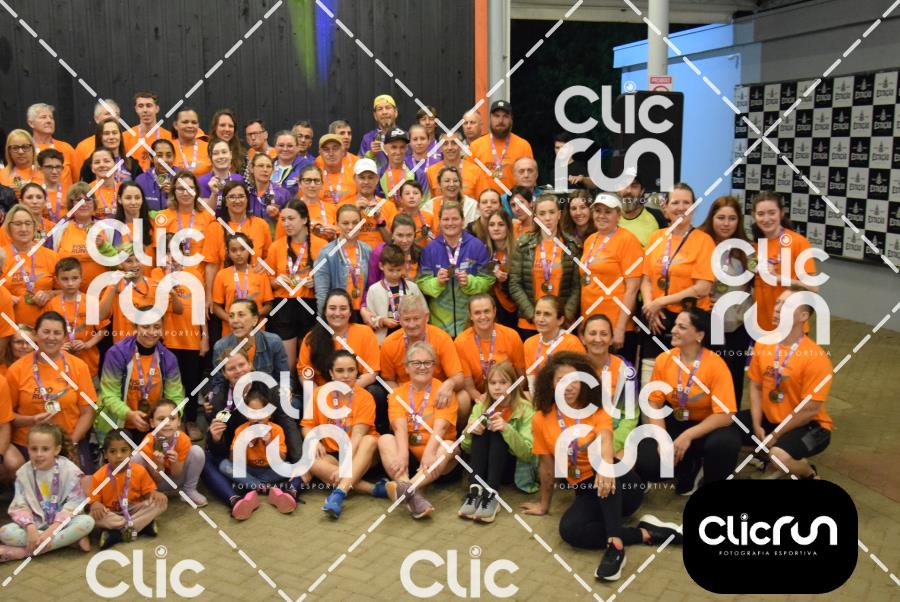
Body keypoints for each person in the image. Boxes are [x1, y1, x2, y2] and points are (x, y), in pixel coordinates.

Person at [521, 351, 680, 582]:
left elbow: (606, 438)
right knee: (570, 531)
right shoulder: (541, 419)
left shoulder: (596, 409)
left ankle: (615, 548)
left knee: (605, 466)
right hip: (587, 490)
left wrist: (605, 465)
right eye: (561, 380)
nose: (568, 386)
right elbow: (547, 467)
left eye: (574, 380)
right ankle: (645, 532)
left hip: (622, 486)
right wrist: (544, 505)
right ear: (550, 383)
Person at [635, 308, 741, 494]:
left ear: (699, 335)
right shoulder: (664, 359)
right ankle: (686, 464)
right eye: (675, 325)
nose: (673, 330)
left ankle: (706, 474)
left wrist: (688, 435)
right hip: (676, 421)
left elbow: (726, 414)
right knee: (648, 462)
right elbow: (654, 402)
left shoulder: (715, 364)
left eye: (682, 327)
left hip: (707, 428)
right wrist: (662, 439)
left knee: (725, 443)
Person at [732, 288, 833, 479]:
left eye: (786, 305)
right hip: (771, 418)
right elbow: (755, 386)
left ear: (803, 316)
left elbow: (810, 410)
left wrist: (776, 435)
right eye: (778, 302)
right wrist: (756, 424)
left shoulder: (816, 358)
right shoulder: (764, 344)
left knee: (779, 456)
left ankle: (808, 473)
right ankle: (768, 456)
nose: (777, 308)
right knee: (722, 430)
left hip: (812, 426)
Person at [209, 300, 302, 461]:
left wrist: (286, 390)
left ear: (254, 320)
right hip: (236, 400)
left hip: (268, 396)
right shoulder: (220, 346)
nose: (235, 320)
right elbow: (218, 382)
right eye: (231, 316)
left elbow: (284, 376)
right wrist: (213, 397)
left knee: (288, 405)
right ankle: (228, 455)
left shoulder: (273, 341)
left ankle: (292, 458)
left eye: (241, 315)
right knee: (215, 410)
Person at [300, 351, 386, 519]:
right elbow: (306, 426)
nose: (346, 375)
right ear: (331, 373)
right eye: (340, 371)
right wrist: (314, 440)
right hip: (333, 455)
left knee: (369, 440)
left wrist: (345, 466)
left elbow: (358, 435)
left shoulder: (365, 397)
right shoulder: (319, 394)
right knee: (309, 460)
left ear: (357, 372)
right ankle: (373, 489)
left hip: (361, 453)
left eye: (351, 370)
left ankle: (339, 494)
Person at [378, 341, 459, 519]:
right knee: (385, 439)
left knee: (448, 445)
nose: (422, 367)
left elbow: (441, 428)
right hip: (409, 461)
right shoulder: (398, 394)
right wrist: (402, 455)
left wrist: (430, 453)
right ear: (406, 368)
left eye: (427, 362)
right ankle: (412, 493)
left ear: (434, 366)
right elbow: (399, 428)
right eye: (416, 363)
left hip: (437, 459)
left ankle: (404, 489)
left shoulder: (443, 391)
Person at [7, 312, 96, 471]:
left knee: (84, 483)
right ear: (35, 334)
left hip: (70, 440)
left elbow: (87, 413)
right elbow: (8, 417)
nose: (51, 337)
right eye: (46, 332)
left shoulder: (79, 366)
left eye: (57, 333)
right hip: (31, 445)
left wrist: (70, 444)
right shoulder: (17, 369)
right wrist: (31, 420)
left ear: (64, 337)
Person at [640, 183, 715, 363]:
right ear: (665, 207)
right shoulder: (656, 237)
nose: (681, 208)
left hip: (691, 321)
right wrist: (650, 306)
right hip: (656, 318)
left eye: (686, 203)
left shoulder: (704, 241)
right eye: (675, 202)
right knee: (652, 371)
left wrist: (660, 302)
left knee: (685, 373)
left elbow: (702, 288)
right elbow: (646, 279)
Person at [0, 423, 94, 561]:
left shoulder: (69, 470)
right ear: (28, 448)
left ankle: (24, 552)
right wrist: (31, 530)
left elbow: (75, 503)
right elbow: (20, 505)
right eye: (34, 449)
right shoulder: (23, 473)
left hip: (62, 524)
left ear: (56, 450)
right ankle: (67, 541)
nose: (39, 454)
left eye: (45, 449)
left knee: (87, 522)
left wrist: (51, 531)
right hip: (35, 525)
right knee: (4, 532)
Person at [459, 361, 535, 522]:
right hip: (484, 466)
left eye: (503, 382)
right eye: (493, 383)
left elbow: (528, 454)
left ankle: (492, 494)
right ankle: (475, 491)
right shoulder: (481, 406)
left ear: (513, 384)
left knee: (497, 429)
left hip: (510, 468)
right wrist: (468, 432)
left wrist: (507, 430)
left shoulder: (526, 409)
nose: (497, 387)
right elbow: (466, 448)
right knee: (482, 427)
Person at [379, 294, 465, 430]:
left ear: (426, 317)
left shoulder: (442, 338)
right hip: (407, 395)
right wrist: (397, 396)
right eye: (407, 319)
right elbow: (388, 379)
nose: (412, 324)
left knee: (463, 398)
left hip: (437, 394)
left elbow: (458, 377)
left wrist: (449, 384)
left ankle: (456, 436)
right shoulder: (389, 343)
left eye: (416, 318)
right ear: (399, 319)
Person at [94, 315, 185, 444]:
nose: (152, 332)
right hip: (117, 425)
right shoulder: (116, 354)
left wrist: (168, 418)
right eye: (145, 327)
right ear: (135, 327)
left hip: (154, 425)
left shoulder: (169, 359)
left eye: (157, 327)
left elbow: (176, 397)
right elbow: (109, 395)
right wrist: (129, 414)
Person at [700, 196, 754, 406]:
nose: (726, 223)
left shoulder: (747, 250)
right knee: (706, 375)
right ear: (711, 218)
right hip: (707, 324)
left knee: (734, 375)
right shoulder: (700, 244)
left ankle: (731, 418)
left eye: (732, 218)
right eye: (721, 217)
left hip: (738, 325)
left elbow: (757, 284)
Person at [153, 233, 208, 440]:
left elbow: (200, 307)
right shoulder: (157, 273)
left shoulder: (194, 272)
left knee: (192, 383)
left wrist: (205, 336)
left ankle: (190, 420)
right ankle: (170, 421)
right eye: (168, 251)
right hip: (167, 339)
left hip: (191, 338)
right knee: (168, 383)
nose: (172, 256)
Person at [579, 193, 644, 366]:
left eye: (608, 212)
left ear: (618, 215)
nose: (601, 216)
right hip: (591, 323)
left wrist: (620, 328)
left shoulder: (628, 240)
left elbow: (632, 289)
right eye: (598, 211)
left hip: (615, 325)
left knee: (618, 376)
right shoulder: (590, 240)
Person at [509, 192, 582, 338]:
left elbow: (577, 286)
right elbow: (515, 284)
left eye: (551, 212)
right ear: (535, 217)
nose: (547, 218)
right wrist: (533, 315)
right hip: (529, 323)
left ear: (559, 214)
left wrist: (565, 316)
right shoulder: (523, 244)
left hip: (562, 324)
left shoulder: (572, 246)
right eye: (542, 213)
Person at [418, 201, 493, 338]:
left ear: (463, 221)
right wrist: (437, 282)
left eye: (455, 219)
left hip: (470, 324)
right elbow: (422, 283)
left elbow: (488, 280)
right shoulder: (430, 249)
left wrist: (470, 282)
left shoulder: (476, 246)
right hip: (440, 325)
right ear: (440, 222)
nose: (450, 223)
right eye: (446, 219)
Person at [220, 389, 301, 513]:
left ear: (269, 414)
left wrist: (269, 444)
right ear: (246, 415)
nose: (257, 417)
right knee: (224, 465)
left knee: (294, 467)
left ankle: (252, 486)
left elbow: (281, 460)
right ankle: (263, 487)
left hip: (270, 471)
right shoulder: (241, 430)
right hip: (249, 470)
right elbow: (234, 462)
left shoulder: (276, 430)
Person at [88, 428, 167, 548]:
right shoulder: (98, 476)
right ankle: (141, 526)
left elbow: (148, 493)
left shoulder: (139, 470)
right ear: (105, 454)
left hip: (134, 509)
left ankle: (116, 534)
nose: (119, 456)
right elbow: (93, 502)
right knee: (91, 517)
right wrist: (95, 505)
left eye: (124, 450)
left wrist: (154, 494)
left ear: (131, 452)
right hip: (111, 512)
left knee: (161, 503)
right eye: (113, 451)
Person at [751, 191, 817, 332]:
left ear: (781, 213)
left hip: (791, 324)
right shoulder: (756, 245)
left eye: (772, 213)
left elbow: (813, 288)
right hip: (761, 323)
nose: (766, 219)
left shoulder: (798, 242)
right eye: (761, 214)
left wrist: (779, 278)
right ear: (754, 216)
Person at [202, 181, 272, 309]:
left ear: (247, 199)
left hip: (256, 293)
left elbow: (270, 257)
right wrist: (209, 296)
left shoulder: (261, 225)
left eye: (241, 196)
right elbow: (211, 266)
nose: (237, 200)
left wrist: (265, 264)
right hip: (226, 294)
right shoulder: (215, 227)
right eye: (232, 197)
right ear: (225, 201)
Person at [266, 200, 320, 368]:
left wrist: (316, 283)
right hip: (283, 306)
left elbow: (328, 281)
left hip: (310, 304)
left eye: (291, 219)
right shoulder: (276, 247)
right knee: (286, 364)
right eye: (283, 219)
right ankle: (287, 385)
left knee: (308, 362)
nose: (286, 224)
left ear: (304, 219)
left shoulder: (321, 245)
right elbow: (268, 282)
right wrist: (276, 281)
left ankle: (307, 386)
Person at [201, 349, 255, 518]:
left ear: (250, 365)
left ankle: (255, 487)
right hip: (233, 458)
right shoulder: (219, 400)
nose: (238, 371)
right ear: (224, 374)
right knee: (204, 458)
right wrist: (216, 439)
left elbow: (284, 427)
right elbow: (219, 451)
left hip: (262, 456)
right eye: (231, 368)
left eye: (242, 365)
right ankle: (234, 499)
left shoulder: (266, 389)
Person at [580, 314, 640, 457]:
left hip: (613, 434)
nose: (598, 339)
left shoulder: (625, 370)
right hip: (580, 435)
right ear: (583, 338)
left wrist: (611, 445)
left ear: (612, 339)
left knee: (623, 461)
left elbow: (630, 417)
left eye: (604, 334)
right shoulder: (573, 368)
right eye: (592, 333)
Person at [454, 294, 525, 402]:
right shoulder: (461, 342)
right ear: (470, 315)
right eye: (477, 313)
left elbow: (522, 377)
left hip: (509, 395)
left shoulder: (511, 336)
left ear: (494, 311)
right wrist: (482, 400)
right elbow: (469, 386)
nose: (483, 317)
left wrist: (508, 397)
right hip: (479, 398)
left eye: (486, 311)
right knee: (462, 399)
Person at [136, 400, 207, 506]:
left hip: (177, 480)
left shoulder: (183, 439)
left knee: (197, 451)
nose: (167, 423)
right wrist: (159, 464)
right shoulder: (148, 442)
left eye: (172, 418)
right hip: (155, 484)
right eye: (161, 419)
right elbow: (158, 479)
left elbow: (176, 474)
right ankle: (145, 495)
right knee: (136, 458)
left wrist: (175, 462)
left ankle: (189, 490)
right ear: (152, 422)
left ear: (179, 422)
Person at [45, 258, 106, 378]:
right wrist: (58, 346)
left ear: (81, 278)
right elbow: (46, 333)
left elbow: (102, 331)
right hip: (61, 364)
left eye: (74, 278)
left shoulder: (91, 302)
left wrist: (87, 344)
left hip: (89, 364)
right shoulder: (52, 304)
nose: (70, 283)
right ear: (57, 280)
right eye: (65, 279)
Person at [1, 204, 60, 327]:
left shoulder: (52, 257)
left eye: (28, 223)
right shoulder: (1, 256)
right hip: (8, 329)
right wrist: (4, 297)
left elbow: (68, 291)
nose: (24, 229)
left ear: (34, 226)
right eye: (18, 224)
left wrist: (49, 294)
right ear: (8, 228)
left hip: (45, 330)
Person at [53, 183, 116, 292]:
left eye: (88, 199)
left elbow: (117, 263)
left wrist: (104, 246)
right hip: (69, 296)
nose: (84, 204)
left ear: (94, 203)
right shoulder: (60, 230)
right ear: (71, 204)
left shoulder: (108, 229)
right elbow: (53, 264)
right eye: (78, 200)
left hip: (101, 295)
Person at [211, 233, 274, 336]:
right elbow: (216, 306)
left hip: (255, 331)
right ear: (228, 252)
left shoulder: (260, 274)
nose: (238, 253)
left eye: (243, 249)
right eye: (234, 250)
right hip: (231, 332)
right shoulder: (222, 275)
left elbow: (269, 305)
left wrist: (253, 316)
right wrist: (231, 319)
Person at [313, 204, 371, 314]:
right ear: (337, 224)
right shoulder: (326, 253)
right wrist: (324, 320)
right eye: (345, 223)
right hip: (338, 314)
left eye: (355, 223)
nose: (351, 227)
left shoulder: (367, 250)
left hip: (364, 314)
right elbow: (322, 293)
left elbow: (371, 287)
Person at [522, 296, 586, 390]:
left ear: (560, 320)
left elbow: (581, 380)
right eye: (538, 313)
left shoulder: (572, 343)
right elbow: (532, 383)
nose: (540, 319)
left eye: (547, 314)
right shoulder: (529, 343)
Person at [468, 100, 533, 192]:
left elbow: (530, 180)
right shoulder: (475, 146)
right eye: (496, 116)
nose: (500, 121)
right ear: (490, 118)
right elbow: (468, 181)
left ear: (511, 119)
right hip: (483, 200)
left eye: (505, 116)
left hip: (513, 200)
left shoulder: (523, 146)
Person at [361, 243, 422, 342]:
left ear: (403, 266)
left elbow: (423, 311)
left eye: (398, 270)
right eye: (391, 270)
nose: (395, 274)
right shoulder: (374, 290)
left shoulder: (412, 287)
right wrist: (382, 321)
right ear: (381, 266)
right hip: (383, 339)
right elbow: (370, 318)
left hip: (410, 336)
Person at [348, 158, 395, 251]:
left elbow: (392, 242)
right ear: (354, 179)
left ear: (377, 179)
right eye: (362, 177)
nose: (366, 182)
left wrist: (379, 219)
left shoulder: (389, 206)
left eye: (370, 177)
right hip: (353, 257)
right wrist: (354, 213)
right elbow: (340, 241)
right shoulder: (344, 206)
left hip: (381, 257)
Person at [482, 207, 518, 328]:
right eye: (492, 225)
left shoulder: (518, 252)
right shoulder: (483, 252)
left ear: (508, 227)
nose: (496, 228)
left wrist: (506, 281)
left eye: (501, 224)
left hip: (517, 312)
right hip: (491, 312)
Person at [27, 103, 78, 186]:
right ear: (31, 123)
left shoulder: (66, 148)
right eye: (43, 117)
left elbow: (78, 181)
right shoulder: (25, 150)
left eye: (51, 117)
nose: (49, 121)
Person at [365, 213, 420, 288]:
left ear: (414, 235)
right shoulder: (380, 252)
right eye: (400, 235)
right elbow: (371, 285)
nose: (404, 240)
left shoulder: (419, 253)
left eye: (409, 235)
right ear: (392, 235)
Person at [426, 131, 486, 200]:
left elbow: (482, 199)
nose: (450, 147)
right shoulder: (431, 171)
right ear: (440, 148)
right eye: (445, 144)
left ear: (461, 146)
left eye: (454, 143)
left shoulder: (475, 171)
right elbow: (429, 202)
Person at [78, 118, 142, 183]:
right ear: (100, 137)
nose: (111, 137)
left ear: (120, 136)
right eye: (106, 133)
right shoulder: (89, 164)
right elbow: (83, 188)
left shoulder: (132, 163)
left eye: (115, 133)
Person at [123, 91, 173, 172]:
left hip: (160, 177)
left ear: (157, 109)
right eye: (140, 106)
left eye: (149, 105)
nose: (145, 110)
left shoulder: (169, 137)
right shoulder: (125, 137)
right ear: (136, 109)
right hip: (134, 178)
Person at [377, 128, 429, 202]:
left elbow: (425, 203)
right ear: (385, 148)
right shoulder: (378, 174)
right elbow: (375, 201)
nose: (398, 152)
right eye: (394, 147)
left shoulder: (419, 174)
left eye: (402, 147)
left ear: (406, 148)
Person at [73, 99, 121, 176]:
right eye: (108, 114)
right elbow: (79, 178)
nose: (112, 117)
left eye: (115, 114)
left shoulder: (126, 141)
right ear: (96, 119)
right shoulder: (83, 147)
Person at [617, 172, 666, 248]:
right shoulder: (609, 218)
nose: (628, 190)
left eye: (634, 186)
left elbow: (666, 249)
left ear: (642, 191)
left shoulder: (657, 217)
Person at [111, 183, 154, 268]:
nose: (133, 202)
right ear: (119, 199)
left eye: (137, 198)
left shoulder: (154, 224)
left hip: (150, 276)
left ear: (142, 199)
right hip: (123, 276)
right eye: (128, 198)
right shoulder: (112, 228)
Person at [197, 138, 244, 209]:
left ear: (231, 155)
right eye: (216, 153)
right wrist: (214, 193)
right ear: (210, 158)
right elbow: (205, 213)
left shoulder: (239, 179)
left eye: (224, 152)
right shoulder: (201, 182)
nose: (221, 156)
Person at [298, 165, 338, 247]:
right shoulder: (291, 209)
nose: (312, 185)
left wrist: (333, 237)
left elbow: (341, 245)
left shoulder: (332, 209)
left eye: (316, 181)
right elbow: (282, 242)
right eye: (308, 180)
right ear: (299, 184)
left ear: (322, 184)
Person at [246, 152, 290, 227]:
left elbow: (291, 222)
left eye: (269, 166)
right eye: (261, 166)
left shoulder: (283, 194)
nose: (265, 170)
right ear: (252, 168)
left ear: (273, 170)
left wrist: (278, 215)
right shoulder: (247, 195)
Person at [134, 139, 177, 213]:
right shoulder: (140, 181)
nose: (164, 160)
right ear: (151, 158)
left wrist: (175, 194)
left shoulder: (183, 178)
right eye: (159, 156)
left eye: (169, 155)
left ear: (174, 157)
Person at [394, 181, 436, 249]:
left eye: (415, 193)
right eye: (407, 193)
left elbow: (434, 239)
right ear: (401, 198)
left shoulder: (429, 217)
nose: (411, 196)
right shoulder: (395, 218)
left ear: (422, 197)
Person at [359, 94, 399, 165]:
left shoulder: (406, 137)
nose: (384, 112)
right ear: (375, 116)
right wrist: (372, 154)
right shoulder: (367, 139)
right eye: (380, 109)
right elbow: (360, 166)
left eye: (388, 108)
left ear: (395, 112)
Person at [319, 134, 357, 206]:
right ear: (320, 153)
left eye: (335, 149)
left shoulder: (354, 175)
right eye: (326, 149)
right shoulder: (314, 177)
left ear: (343, 152)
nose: (331, 153)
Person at [171, 108, 210, 176]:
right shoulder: (168, 148)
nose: (190, 126)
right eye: (185, 122)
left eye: (194, 122)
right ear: (175, 125)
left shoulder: (210, 148)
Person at [85, 148, 121, 219]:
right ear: (92, 168)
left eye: (107, 161)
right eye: (97, 162)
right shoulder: (86, 191)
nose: (102, 165)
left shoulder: (125, 189)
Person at [207, 109, 245, 173]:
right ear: (215, 128)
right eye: (222, 125)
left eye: (231, 126)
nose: (227, 129)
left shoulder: (242, 155)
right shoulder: (206, 151)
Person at [36, 149, 69, 223]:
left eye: (58, 167)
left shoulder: (70, 193)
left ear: (62, 168)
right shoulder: (35, 193)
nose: (54, 171)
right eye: (49, 167)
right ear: (40, 169)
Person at [271, 130, 306, 197]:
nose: (285, 149)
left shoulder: (306, 166)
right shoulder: (267, 165)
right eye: (281, 145)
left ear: (297, 148)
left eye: (290, 146)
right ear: (275, 147)